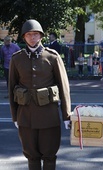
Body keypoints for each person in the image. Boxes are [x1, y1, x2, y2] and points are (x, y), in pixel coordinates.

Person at [8, 19, 71, 170]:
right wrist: (15, 116)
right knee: (32, 156)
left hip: (49, 116)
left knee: (49, 156)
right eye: (29, 34)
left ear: (41, 36)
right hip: (26, 116)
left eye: (36, 34)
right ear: (24, 37)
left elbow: (64, 88)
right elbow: (11, 89)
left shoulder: (52, 57)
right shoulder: (17, 59)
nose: (32, 37)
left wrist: (66, 115)